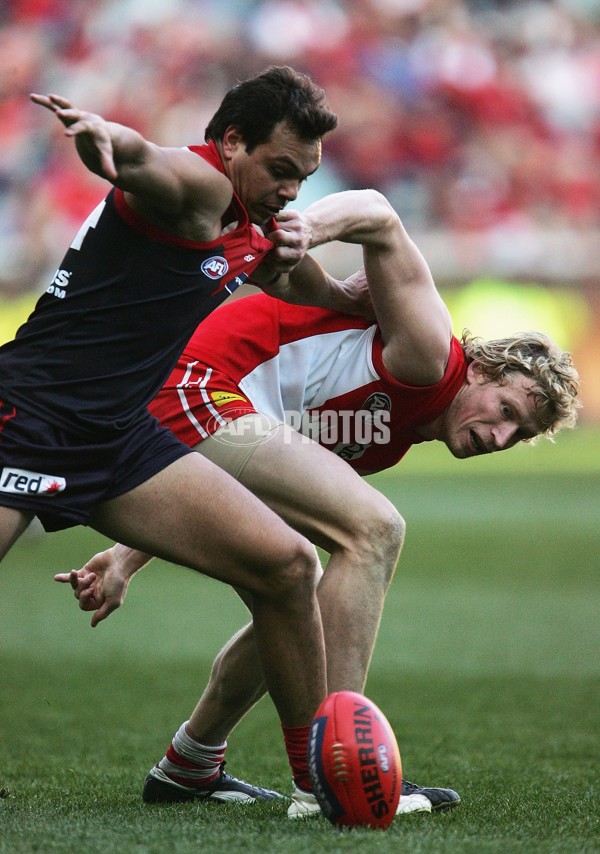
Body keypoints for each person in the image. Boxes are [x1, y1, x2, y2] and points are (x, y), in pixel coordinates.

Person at [60, 189, 580, 819]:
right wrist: (304, 231)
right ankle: (338, 767)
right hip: (196, 383)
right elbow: (380, 213)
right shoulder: (429, 355)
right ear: (480, 372)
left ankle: (189, 765)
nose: (500, 436)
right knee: (375, 529)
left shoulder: (392, 437)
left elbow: (245, 471)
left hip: (203, 412)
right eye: (505, 409)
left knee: (289, 590)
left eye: (518, 434)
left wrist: (124, 558)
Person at [0, 67, 376, 804]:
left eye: (303, 178)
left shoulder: (252, 216)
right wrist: (106, 138)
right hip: (27, 417)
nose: (291, 191)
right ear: (232, 142)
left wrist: (341, 298)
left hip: (116, 434)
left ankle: (316, 783)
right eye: (280, 170)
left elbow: (284, 275)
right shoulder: (199, 187)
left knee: (287, 567)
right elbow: (146, 162)